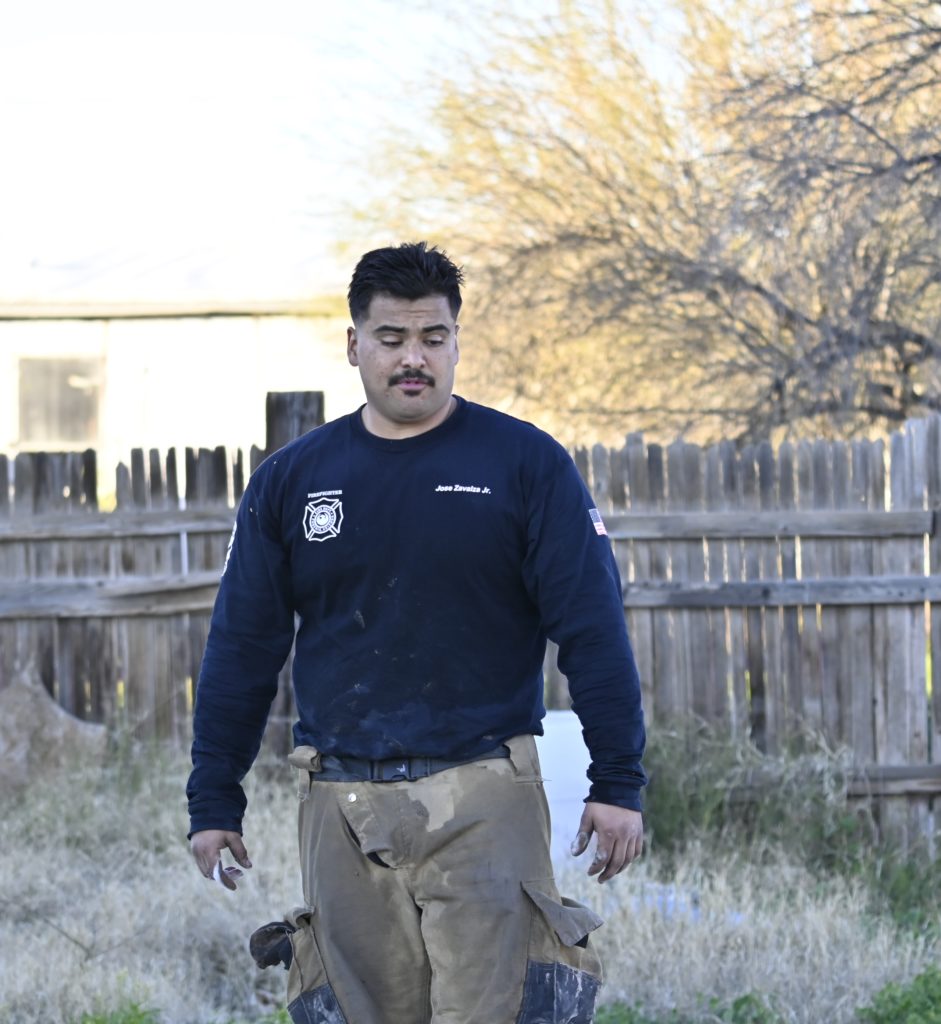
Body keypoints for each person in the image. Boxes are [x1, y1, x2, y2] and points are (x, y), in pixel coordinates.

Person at [187, 241, 646, 1024]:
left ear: (456, 341)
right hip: (340, 800)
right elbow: (241, 649)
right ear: (354, 344)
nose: (413, 358)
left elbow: (593, 631)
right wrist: (213, 798)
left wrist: (618, 783)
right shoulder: (292, 481)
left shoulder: (525, 465)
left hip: (482, 790)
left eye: (433, 337)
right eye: (391, 338)